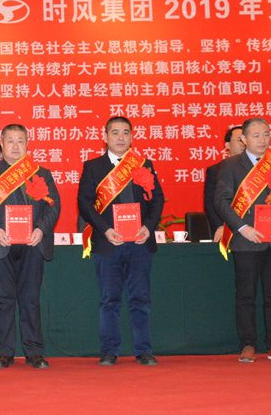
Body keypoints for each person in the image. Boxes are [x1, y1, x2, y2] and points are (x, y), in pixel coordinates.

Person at [0, 124, 60, 369]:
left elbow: (54, 205)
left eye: (20, 141)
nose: (15, 146)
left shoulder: (42, 173)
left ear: (27, 144)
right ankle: (4, 352)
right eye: (10, 141)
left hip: (33, 244)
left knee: (30, 299)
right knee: (2, 299)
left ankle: (34, 352)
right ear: (1, 145)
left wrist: (41, 229)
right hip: (0, 243)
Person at [78, 116, 164, 367]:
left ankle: (143, 350)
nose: (120, 137)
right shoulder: (93, 166)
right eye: (115, 132)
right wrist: (105, 230)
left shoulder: (144, 164)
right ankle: (109, 351)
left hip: (139, 243)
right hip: (109, 243)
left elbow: (157, 199)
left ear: (131, 136)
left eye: (126, 132)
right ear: (105, 137)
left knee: (141, 299)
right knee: (109, 300)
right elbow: (85, 203)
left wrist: (148, 227)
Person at [214, 117, 271, 363]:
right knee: (246, 296)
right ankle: (248, 345)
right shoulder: (231, 165)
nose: (262, 140)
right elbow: (221, 201)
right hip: (247, 240)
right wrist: (242, 228)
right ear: (243, 139)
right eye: (256, 135)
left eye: (266, 134)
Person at [204, 126, 245, 243]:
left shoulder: (258, 171)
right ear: (227, 145)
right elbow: (210, 203)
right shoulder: (216, 170)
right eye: (239, 140)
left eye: (246, 140)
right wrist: (220, 226)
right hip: (227, 228)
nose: (244, 144)